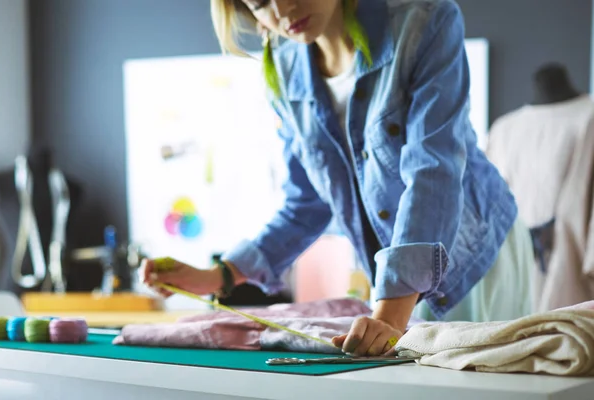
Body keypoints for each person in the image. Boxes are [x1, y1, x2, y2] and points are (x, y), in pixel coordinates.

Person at [142, 0, 534, 357]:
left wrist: (390, 315)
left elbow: (433, 169)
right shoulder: (284, 62)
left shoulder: (424, 22)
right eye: (260, 3)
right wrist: (218, 275)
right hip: (399, 282)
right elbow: (306, 201)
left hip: (473, 253)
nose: (282, 10)